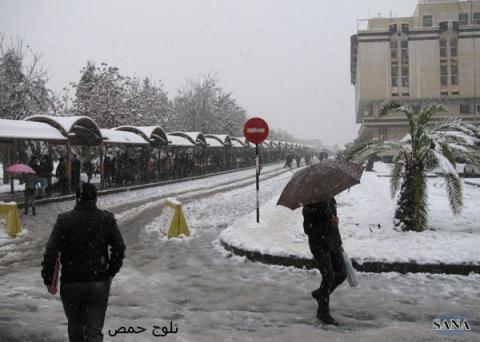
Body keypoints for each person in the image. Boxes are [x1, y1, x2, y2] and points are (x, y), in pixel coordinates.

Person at [41, 183, 126, 342]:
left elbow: (51, 252)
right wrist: (110, 271)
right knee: (94, 330)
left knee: (75, 326)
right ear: (95, 198)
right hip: (98, 282)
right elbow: (119, 248)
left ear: (76, 198)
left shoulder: (64, 221)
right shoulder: (106, 219)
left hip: (71, 282)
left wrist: (48, 278)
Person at [302, 197, 346, 325]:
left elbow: (334, 225)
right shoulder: (309, 204)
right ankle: (323, 312)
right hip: (319, 245)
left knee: (342, 274)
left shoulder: (330, 199)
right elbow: (308, 229)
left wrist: (339, 242)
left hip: (333, 243)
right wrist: (328, 222)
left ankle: (320, 294)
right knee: (329, 277)